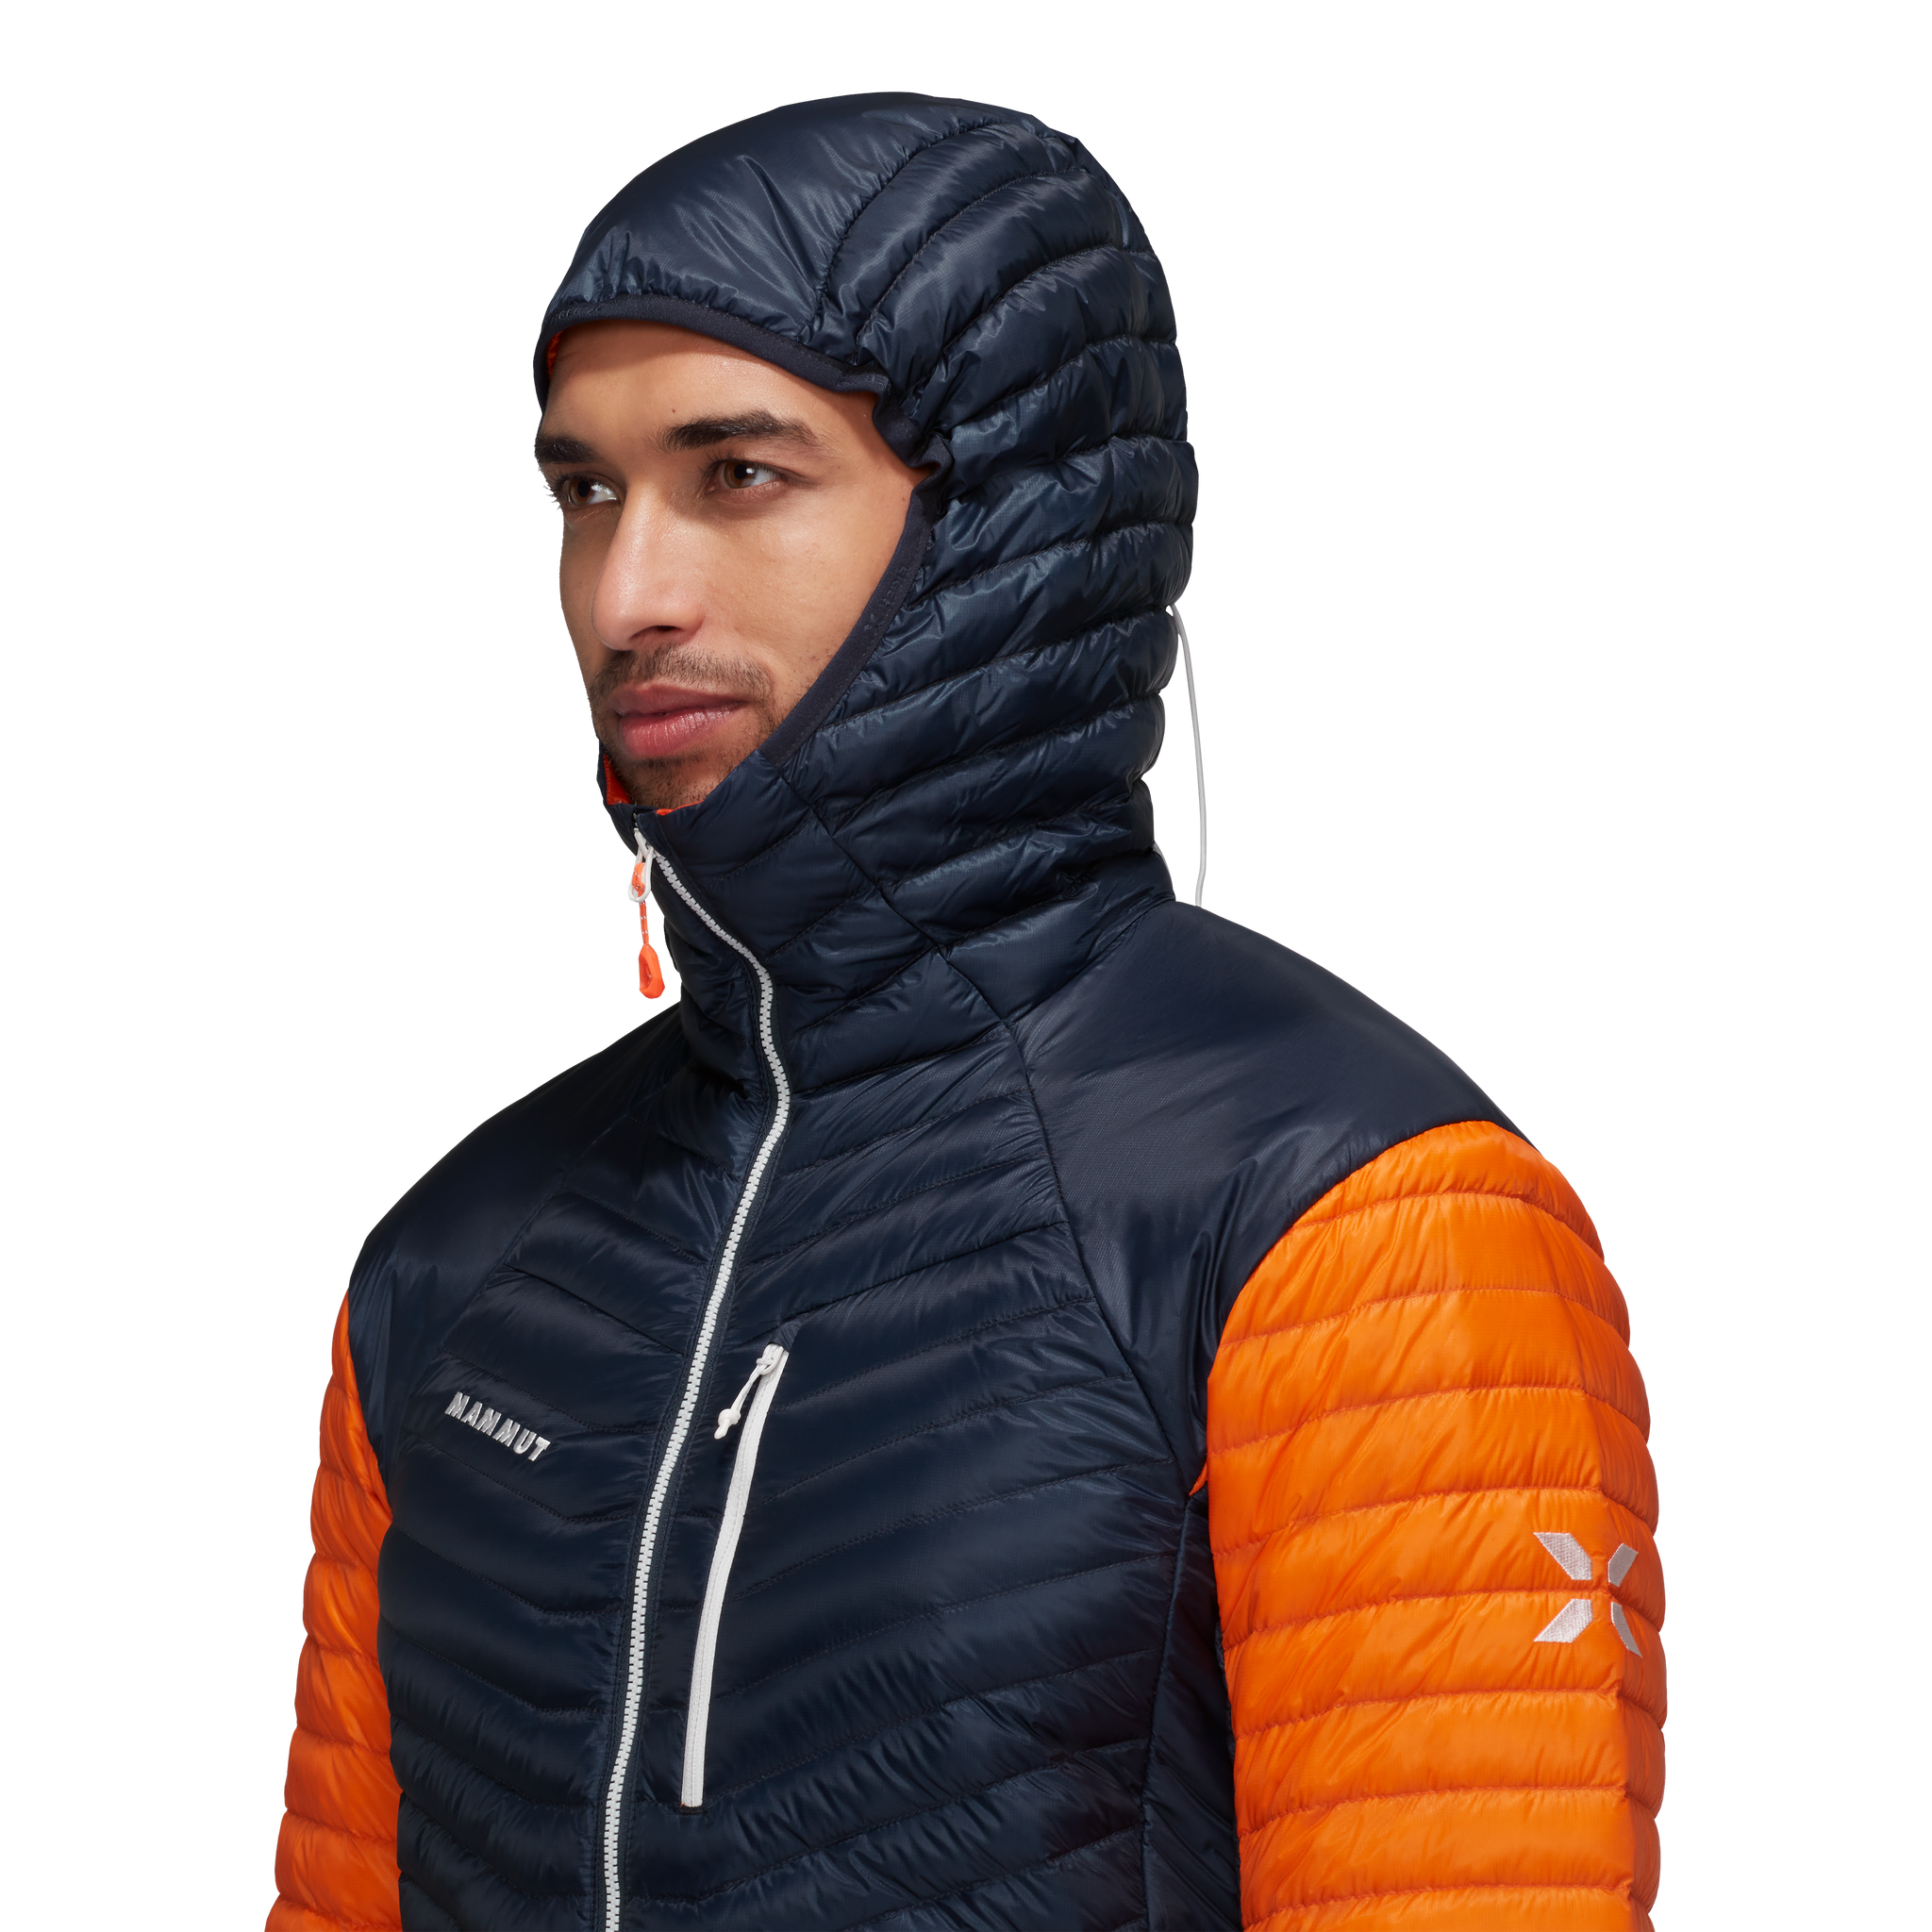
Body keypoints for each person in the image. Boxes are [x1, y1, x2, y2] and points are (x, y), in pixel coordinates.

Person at [267, 92, 1666, 1932]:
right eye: (581, 493)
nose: (628, 593)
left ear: (1009, 517)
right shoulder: (449, 1261)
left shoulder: (1354, 1218)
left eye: (736, 473)